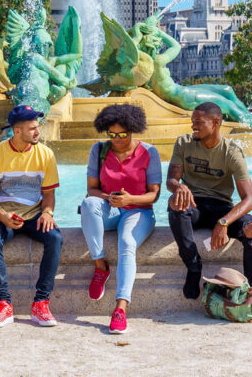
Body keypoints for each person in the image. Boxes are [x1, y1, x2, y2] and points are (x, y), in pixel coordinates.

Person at [167, 101, 252, 324]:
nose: (193, 127)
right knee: (175, 201)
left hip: (221, 206)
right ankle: (194, 266)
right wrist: (179, 186)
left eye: (198, 123)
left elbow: (249, 198)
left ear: (215, 123)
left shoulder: (231, 151)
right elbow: (171, 180)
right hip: (193, 204)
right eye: (192, 122)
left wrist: (224, 222)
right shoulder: (183, 143)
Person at [80, 103, 162, 334]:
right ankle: (100, 266)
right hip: (111, 208)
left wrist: (130, 200)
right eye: (112, 134)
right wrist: (110, 198)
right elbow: (92, 189)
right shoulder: (99, 150)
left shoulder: (149, 152)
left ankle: (121, 308)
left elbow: (154, 195)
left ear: (133, 129)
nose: (116, 139)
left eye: (122, 134)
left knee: (127, 242)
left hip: (139, 211)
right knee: (88, 204)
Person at [0, 104, 62, 328]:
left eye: (38, 127)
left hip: (35, 214)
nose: (38, 132)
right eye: (32, 128)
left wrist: (47, 212)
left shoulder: (45, 154)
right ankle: (3, 304)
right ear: (17, 131)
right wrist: (3, 216)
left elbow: (49, 194)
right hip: (5, 214)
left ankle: (41, 303)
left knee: (55, 238)